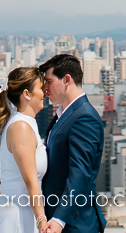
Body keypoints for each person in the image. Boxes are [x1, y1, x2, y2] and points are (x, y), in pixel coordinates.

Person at [39, 54, 105, 233]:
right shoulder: (63, 115)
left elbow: (80, 172)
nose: (45, 88)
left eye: (49, 81)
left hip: (74, 223)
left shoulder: (84, 118)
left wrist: (60, 218)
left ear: (67, 79)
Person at [0, 66, 49, 233]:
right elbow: (30, 181)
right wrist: (42, 221)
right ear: (27, 94)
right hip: (17, 216)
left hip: (23, 211)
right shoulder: (21, 127)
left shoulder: (25, 123)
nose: (45, 92)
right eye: (41, 88)